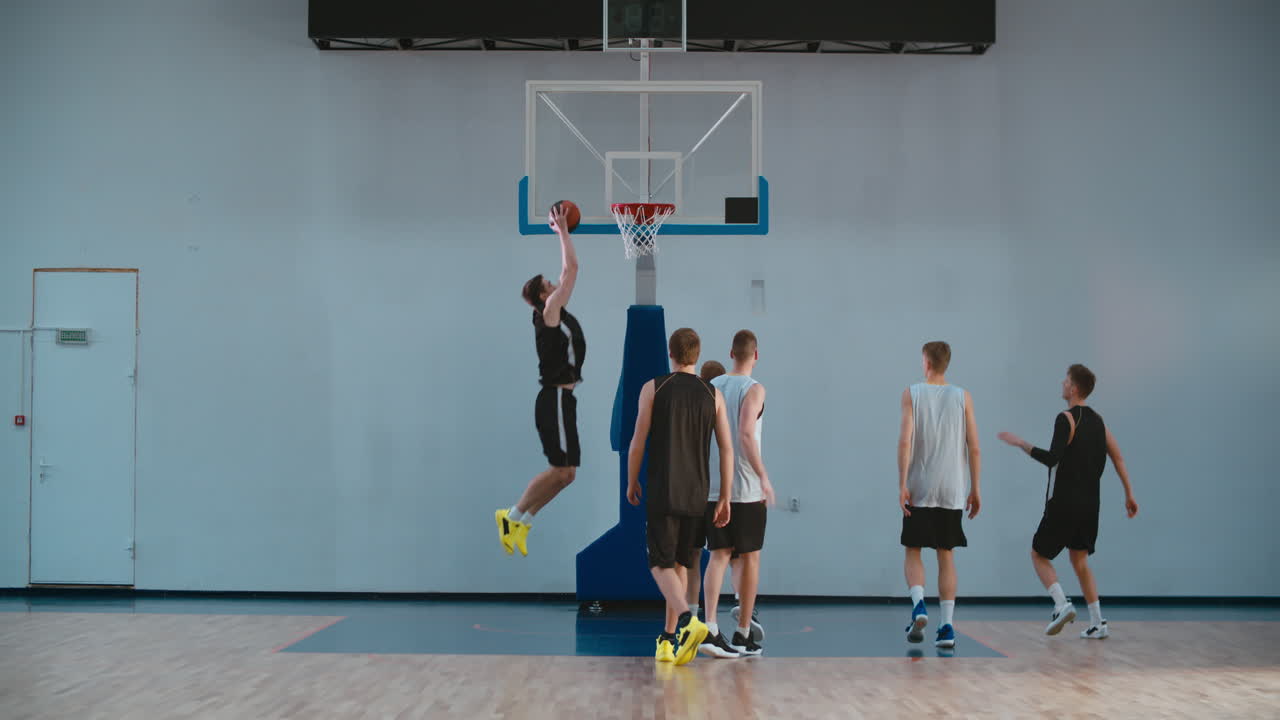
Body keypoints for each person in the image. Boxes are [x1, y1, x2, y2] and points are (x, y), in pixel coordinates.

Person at [997, 364, 1138, 639]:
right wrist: (1129, 494)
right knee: (1080, 561)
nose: (1062, 383)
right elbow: (1118, 457)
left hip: (1064, 502)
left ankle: (1061, 605)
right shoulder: (1099, 421)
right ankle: (1098, 622)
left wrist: (1020, 443)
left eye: (1066, 380)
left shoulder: (1066, 419)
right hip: (1090, 505)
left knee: (1038, 554)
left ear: (1073, 388)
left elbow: (1052, 458)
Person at [627, 328, 735, 666]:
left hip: (664, 489)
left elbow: (638, 441)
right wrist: (725, 496)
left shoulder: (654, 387)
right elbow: (727, 449)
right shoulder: (712, 393)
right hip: (697, 492)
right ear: (697, 355)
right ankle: (668, 638)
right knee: (681, 565)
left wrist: (632, 480)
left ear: (670, 353)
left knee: (659, 564)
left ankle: (688, 621)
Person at [496, 203, 585, 557]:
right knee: (558, 470)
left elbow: (567, 272)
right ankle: (511, 514)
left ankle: (522, 521)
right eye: (549, 284)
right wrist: (562, 229)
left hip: (563, 400)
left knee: (568, 475)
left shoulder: (554, 311)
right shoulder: (548, 312)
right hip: (555, 399)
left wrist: (561, 235)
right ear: (542, 297)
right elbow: (573, 268)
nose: (556, 283)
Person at [897, 341, 981, 649]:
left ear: (926, 362)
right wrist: (976, 487)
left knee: (913, 549)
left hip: (921, 485)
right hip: (953, 487)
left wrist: (901, 483)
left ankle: (919, 604)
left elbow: (905, 442)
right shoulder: (963, 397)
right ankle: (947, 626)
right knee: (946, 555)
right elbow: (973, 446)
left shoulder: (912, 393)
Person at [699, 330, 774, 658]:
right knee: (751, 557)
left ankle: (710, 627)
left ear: (731, 352)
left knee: (719, 555)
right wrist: (764, 475)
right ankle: (743, 632)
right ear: (756, 355)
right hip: (745, 487)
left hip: (714, 486)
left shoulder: (711, 387)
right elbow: (745, 433)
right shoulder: (754, 389)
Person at [684, 360, 727, 621]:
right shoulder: (724, 410)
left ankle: (691, 612)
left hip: (695, 490)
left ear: (701, 378)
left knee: (692, 555)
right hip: (720, 492)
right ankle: (721, 614)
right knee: (724, 556)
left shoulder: (692, 410)